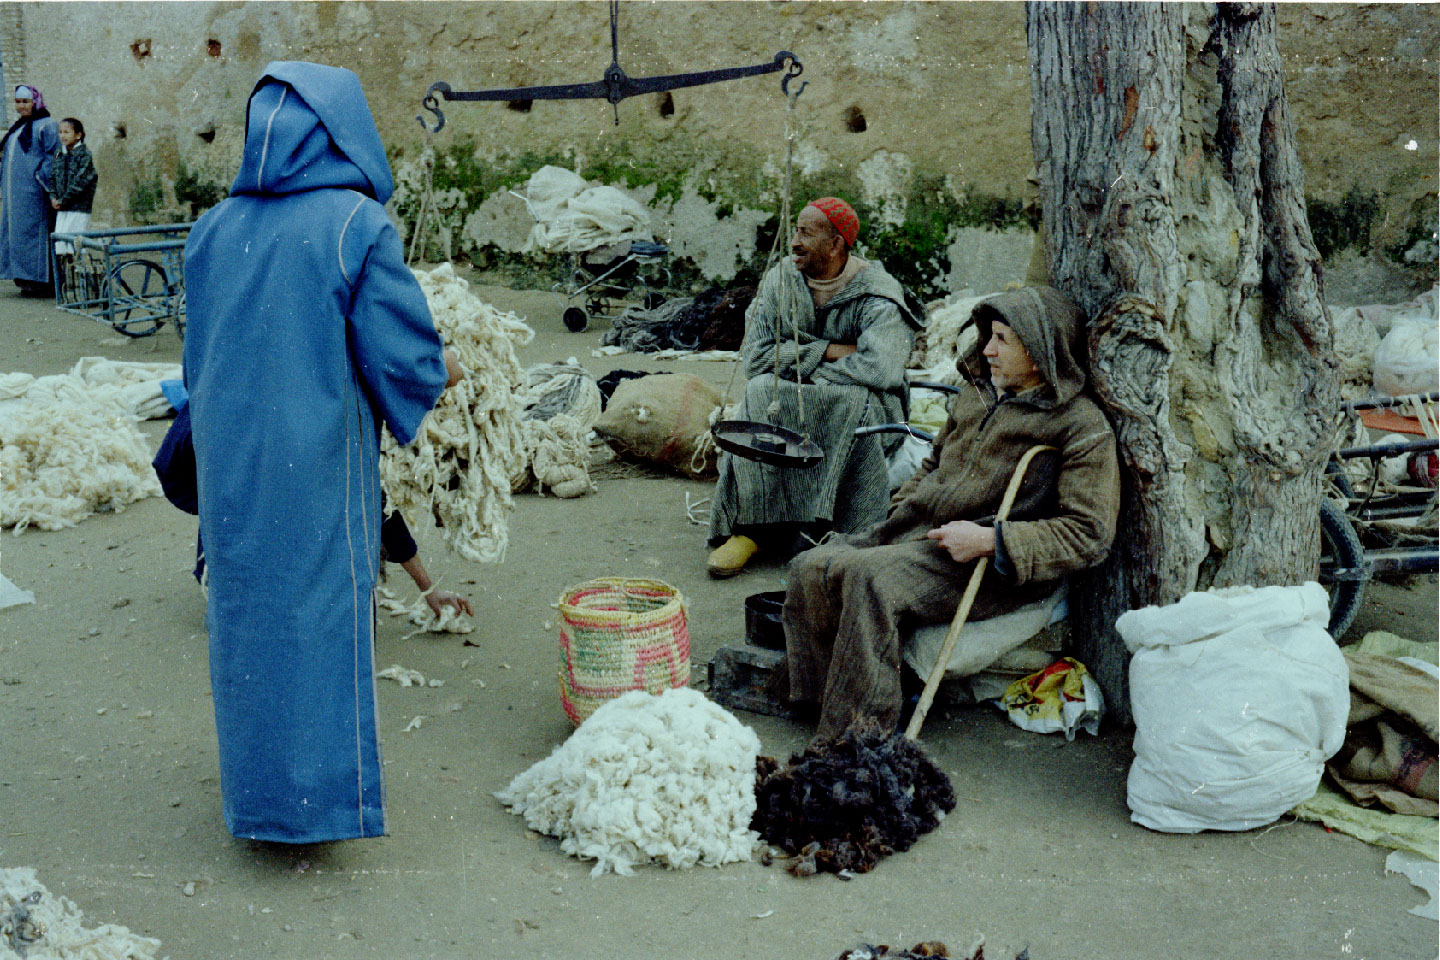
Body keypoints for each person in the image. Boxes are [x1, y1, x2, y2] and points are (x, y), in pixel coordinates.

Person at [183, 61, 464, 843]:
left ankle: (258, 802)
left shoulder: (211, 229)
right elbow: (406, 360)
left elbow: (195, 359)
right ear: (346, 131)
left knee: (246, 618)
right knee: (317, 619)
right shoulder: (354, 225)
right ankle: (312, 810)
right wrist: (445, 373)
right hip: (317, 463)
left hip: (232, 461)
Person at [777, 286, 1121, 741]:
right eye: (987, 336)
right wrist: (903, 509)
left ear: (1039, 353)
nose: (988, 350)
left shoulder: (1078, 425)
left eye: (1002, 339)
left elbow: (1088, 533)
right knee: (811, 565)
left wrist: (991, 541)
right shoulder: (976, 394)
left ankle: (860, 737)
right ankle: (820, 700)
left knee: (869, 579)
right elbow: (935, 463)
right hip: (921, 533)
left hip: (985, 565)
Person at [707, 197, 920, 577]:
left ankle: (825, 532)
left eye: (806, 233)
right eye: (795, 231)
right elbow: (755, 358)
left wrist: (800, 365)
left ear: (837, 244)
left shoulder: (879, 293)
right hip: (804, 391)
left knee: (847, 401)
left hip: (866, 402)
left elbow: (881, 369)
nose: (795, 242)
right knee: (759, 391)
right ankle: (750, 530)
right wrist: (829, 351)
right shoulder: (782, 280)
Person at [0, 84, 59, 296]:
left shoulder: (47, 125)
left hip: (34, 192)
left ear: (36, 102)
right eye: (18, 102)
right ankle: (25, 281)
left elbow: (53, 155)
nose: (21, 106)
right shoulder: (18, 128)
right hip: (14, 195)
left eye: (26, 101)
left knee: (35, 234)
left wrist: (39, 178)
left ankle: (42, 283)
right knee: (17, 235)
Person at [48, 117, 97, 280]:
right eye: (60, 132)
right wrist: (54, 197)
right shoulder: (59, 155)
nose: (63, 136)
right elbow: (53, 178)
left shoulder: (84, 155)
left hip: (78, 208)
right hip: (63, 208)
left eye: (67, 132)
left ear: (78, 135)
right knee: (62, 245)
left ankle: (84, 280)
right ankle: (67, 282)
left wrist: (64, 199)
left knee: (77, 244)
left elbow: (80, 182)